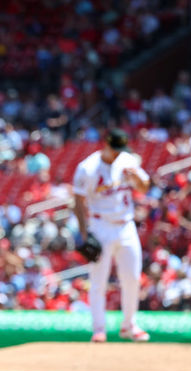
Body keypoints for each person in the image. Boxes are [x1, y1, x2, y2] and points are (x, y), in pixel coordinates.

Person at [72, 129, 151, 343]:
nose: (117, 153)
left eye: (120, 149)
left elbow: (145, 187)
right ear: (106, 145)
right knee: (98, 280)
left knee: (132, 277)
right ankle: (99, 329)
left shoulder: (128, 161)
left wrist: (135, 177)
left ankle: (129, 326)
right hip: (100, 225)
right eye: (115, 148)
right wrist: (84, 233)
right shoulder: (87, 168)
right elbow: (78, 202)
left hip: (126, 225)